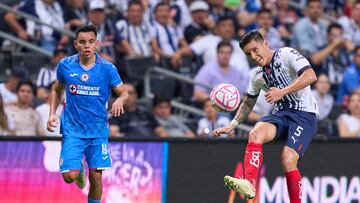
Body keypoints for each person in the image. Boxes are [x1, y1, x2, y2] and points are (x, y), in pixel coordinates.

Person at [213, 30, 318, 203]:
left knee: (287, 159)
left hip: (304, 114)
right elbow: (248, 103)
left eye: (255, 50)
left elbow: (310, 75)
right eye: (248, 54)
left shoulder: (286, 54)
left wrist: (282, 92)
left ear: (265, 44)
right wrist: (232, 125)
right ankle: (249, 183)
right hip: (280, 115)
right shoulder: (256, 76)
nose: (253, 56)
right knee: (255, 134)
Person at [46, 25, 129, 203]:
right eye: (82, 42)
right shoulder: (66, 65)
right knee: (69, 176)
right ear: (76, 44)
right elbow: (56, 89)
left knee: (97, 176)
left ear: (97, 43)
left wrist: (120, 100)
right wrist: (52, 114)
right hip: (73, 129)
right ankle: (79, 169)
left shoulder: (108, 68)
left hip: (97, 130)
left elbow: (124, 92)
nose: (87, 46)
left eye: (91, 42)